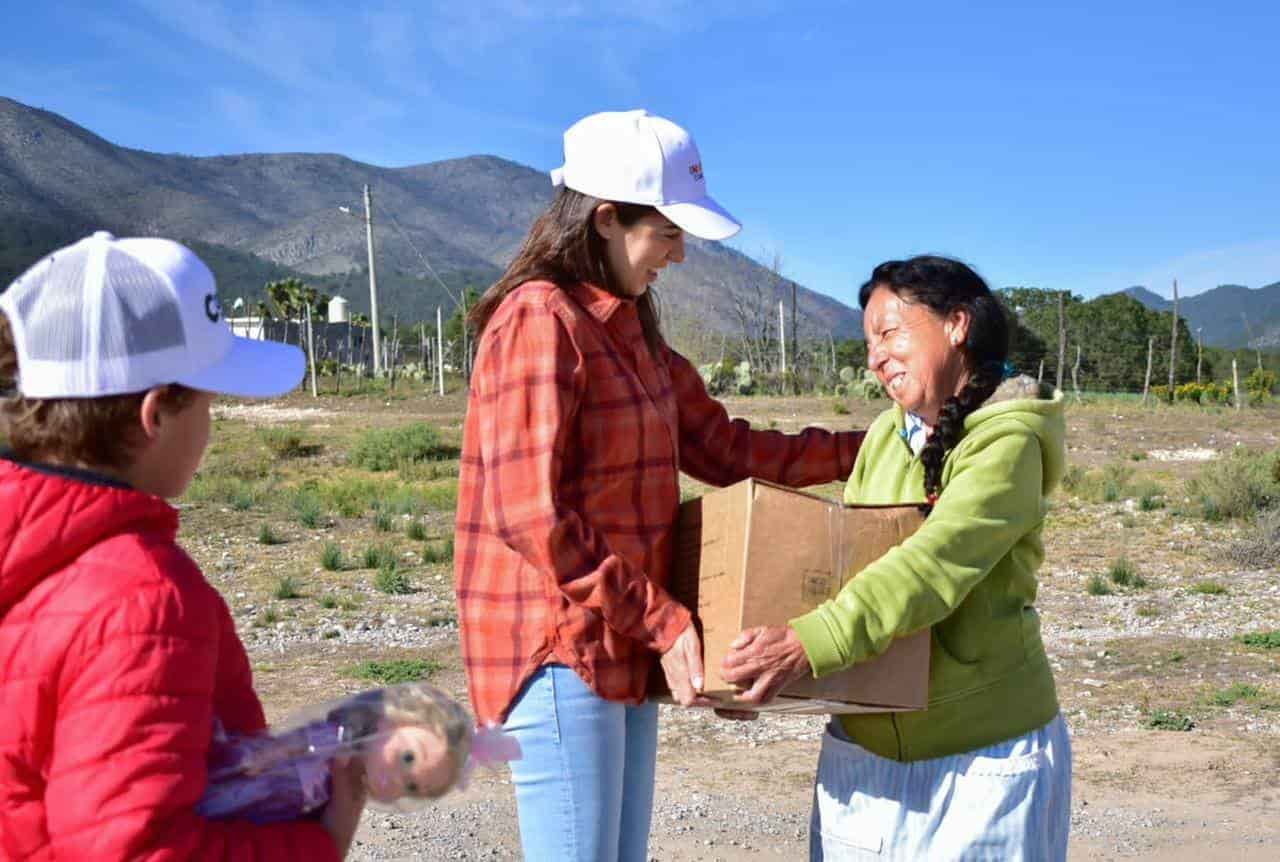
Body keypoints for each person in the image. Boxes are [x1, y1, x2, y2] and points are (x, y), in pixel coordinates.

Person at [454, 109, 863, 862]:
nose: (678, 255)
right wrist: (668, 622)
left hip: (622, 642)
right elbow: (529, 514)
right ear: (606, 219)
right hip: (558, 648)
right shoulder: (540, 320)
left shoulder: (634, 333)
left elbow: (726, 446)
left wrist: (861, 452)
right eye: (668, 232)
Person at [0, 232, 366, 860]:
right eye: (207, 401)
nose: (210, 423)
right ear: (155, 415)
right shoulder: (144, 598)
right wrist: (317, 842)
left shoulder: (29, 552)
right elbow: (139, 849)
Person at [722, 255, 1071, 860]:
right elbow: (843, 568)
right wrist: (765, 676)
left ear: (957, 324)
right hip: (863, 756)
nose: (875, 356)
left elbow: (933, 565)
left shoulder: (1009, 440)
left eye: (889, 332)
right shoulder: (886, 435)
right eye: (868, 343)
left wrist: (807, 643)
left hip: (982, 761)